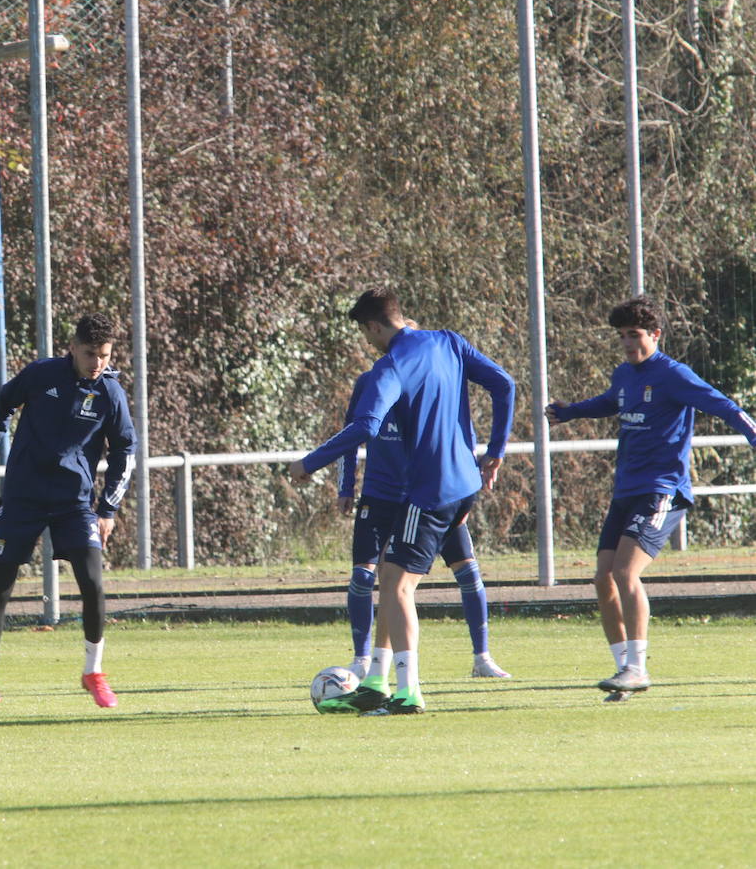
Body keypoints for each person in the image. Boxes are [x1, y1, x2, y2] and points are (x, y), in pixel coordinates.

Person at [291, 287, 514, 715]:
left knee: (398, 587)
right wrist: (496, 451)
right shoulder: (449, 342)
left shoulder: (390, 366)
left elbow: (366, 426)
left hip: (429, 490)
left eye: (365, 332)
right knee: (391, 579)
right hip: (464, 484)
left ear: (374, 326)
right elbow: (504, 384)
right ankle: (377, 680)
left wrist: (309, 463)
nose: (367, 340)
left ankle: (408, 691)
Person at [546, 295, 756, 701]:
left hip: (661, 490)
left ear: (655, 334)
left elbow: (724, 405)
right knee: (603, 578)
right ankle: (624, 667)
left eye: (635, 334)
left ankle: (637, 669)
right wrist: (571, 411)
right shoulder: (624, 374)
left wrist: (752, 432)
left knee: (626, 573)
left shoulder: (673, 374)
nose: (627, 342)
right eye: (622, 336)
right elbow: (611, 401)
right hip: (626, 489)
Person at [0, 313, 137, 711]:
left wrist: (108, 509)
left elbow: (125, 450)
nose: (97, 363)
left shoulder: (110, 393)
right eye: (89, 354)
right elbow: (1, 408)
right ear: (72, 348)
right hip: (23, 496)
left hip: (74, 503)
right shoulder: (41, 375)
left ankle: (94, 673)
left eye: (104, 355)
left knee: (92, 583)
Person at [337, 339, 511, 691]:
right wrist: (346, 487)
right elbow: (350, 436)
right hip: (381, 496)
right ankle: (364, 661)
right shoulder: (370, 382)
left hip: (428, 497)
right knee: (366, 576)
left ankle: (482, 657)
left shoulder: (431, 385)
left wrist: (462, 489)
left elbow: (459, 436)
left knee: (466, 571)